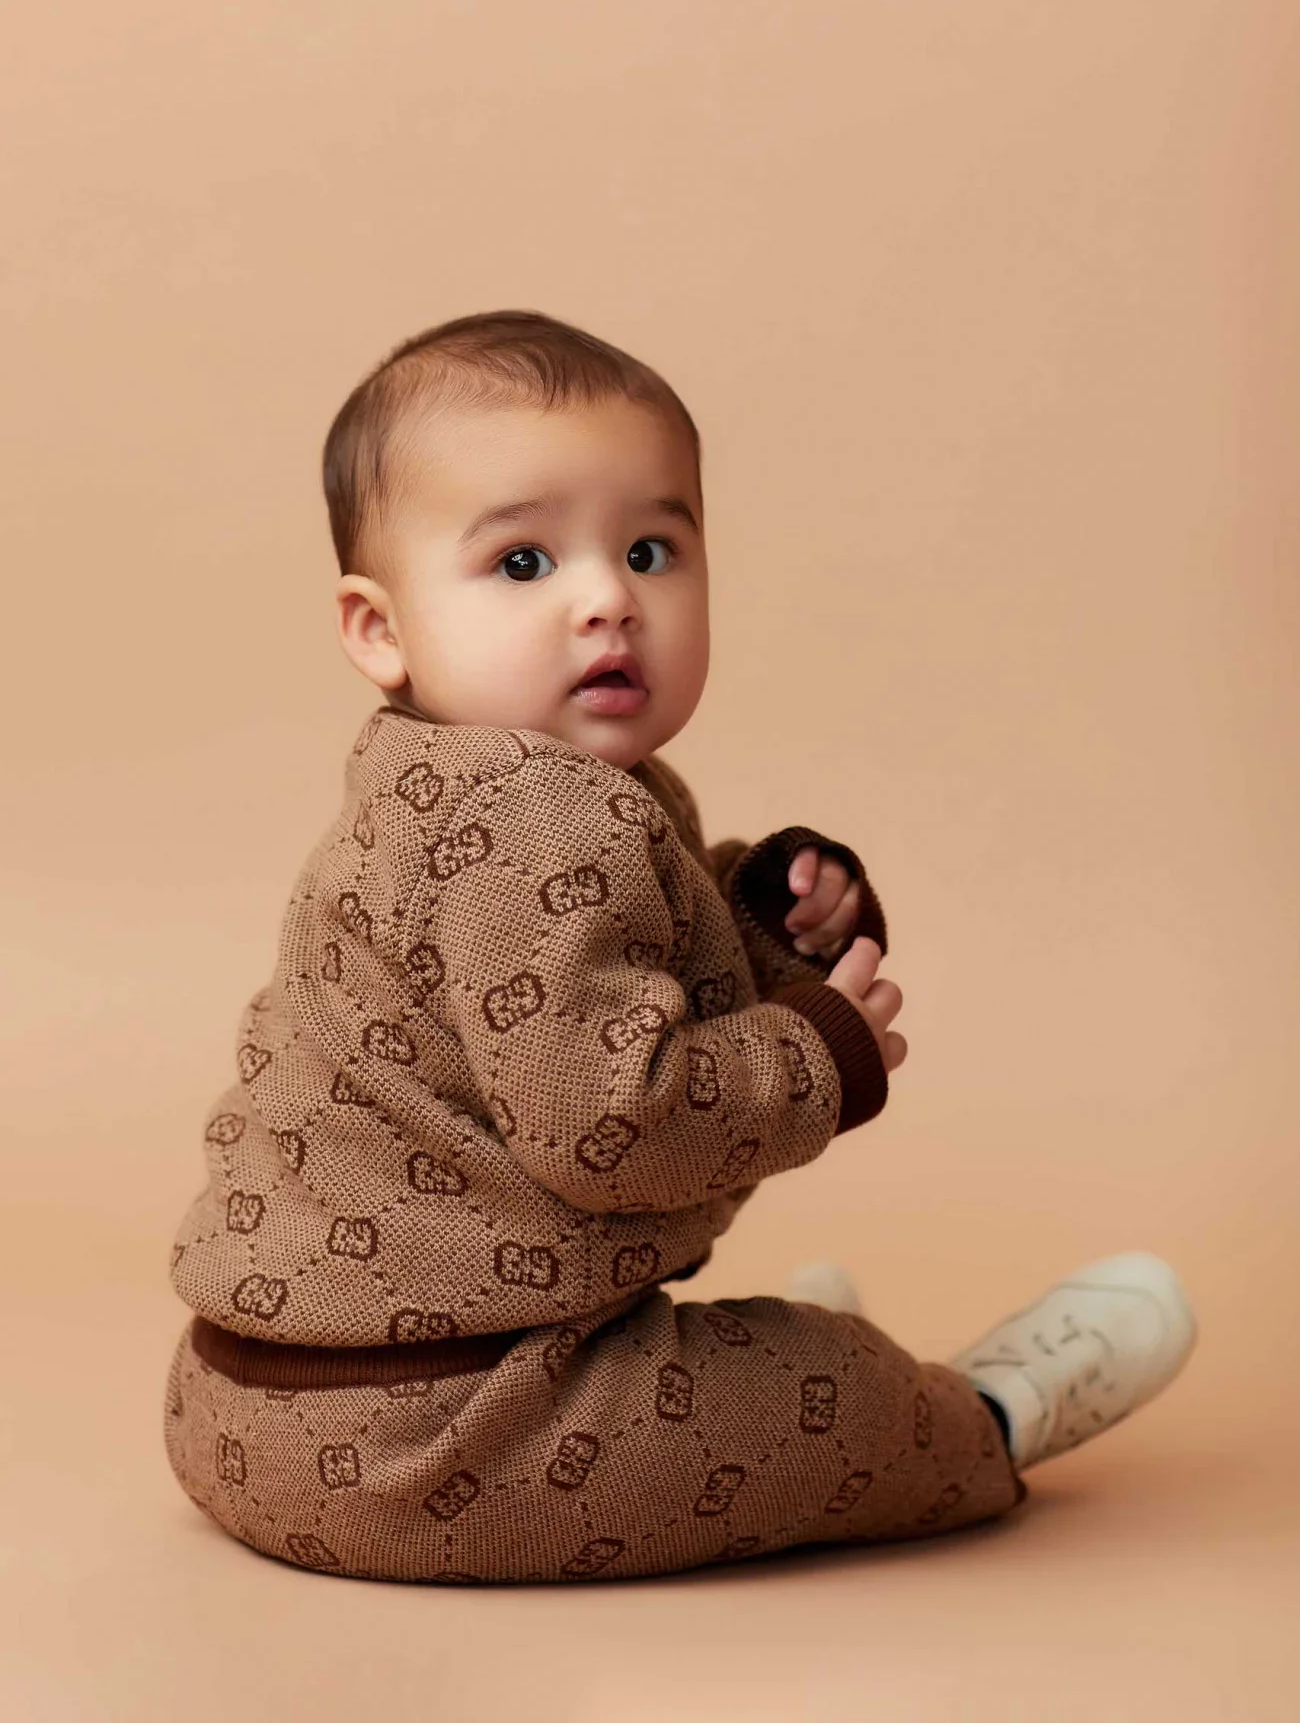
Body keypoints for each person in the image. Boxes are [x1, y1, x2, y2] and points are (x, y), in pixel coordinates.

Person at [163, 310, 1196, 1583]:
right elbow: (611, 1126)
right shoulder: (537, 808)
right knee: (831, 1390)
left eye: (650, 550)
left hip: (244, 1412)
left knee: (740, 1378)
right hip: (442, 1448)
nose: (608, 599)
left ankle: (739, 1390)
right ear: (382, 629)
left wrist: (763, 911)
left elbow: (604, 959)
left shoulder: (442, 781)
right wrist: (818, 1052)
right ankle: (976, 1419)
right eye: (525, 563)